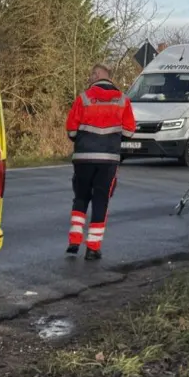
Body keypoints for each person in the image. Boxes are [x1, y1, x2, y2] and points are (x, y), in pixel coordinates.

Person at [63, 65, 136, 261]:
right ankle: (93, 248)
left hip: (83, 158)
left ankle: (74, 241)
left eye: (90, 74)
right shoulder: (122, 99)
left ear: (97, 75)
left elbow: (71, 130)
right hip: (108, 160)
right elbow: (129, 131)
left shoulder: (84, 98)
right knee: (100, 200)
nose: (89, 78)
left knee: (80, 197)